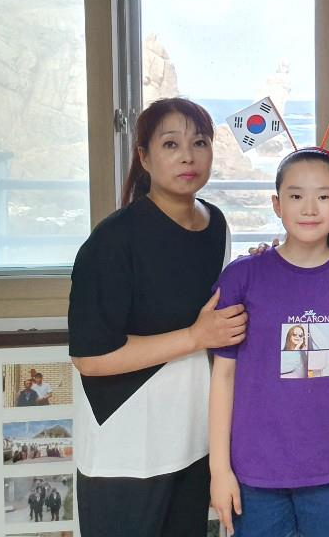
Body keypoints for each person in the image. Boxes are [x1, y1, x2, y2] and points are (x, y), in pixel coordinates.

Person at [68, 97, 248, 537]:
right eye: (171, 144)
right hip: (126, 444)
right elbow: (91, 357)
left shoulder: (217, 224)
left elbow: (216, 309)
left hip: (191, 436)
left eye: (199, 142)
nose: (188, 156)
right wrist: (194, 336)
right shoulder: (113, 240)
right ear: (145, 157)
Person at [209, 147, 329, 537]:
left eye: (323, 196)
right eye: (295, 195)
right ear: (276, 204)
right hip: (254, 469)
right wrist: (220, 470)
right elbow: (223, 377)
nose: (309, 208)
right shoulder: (242, 277)